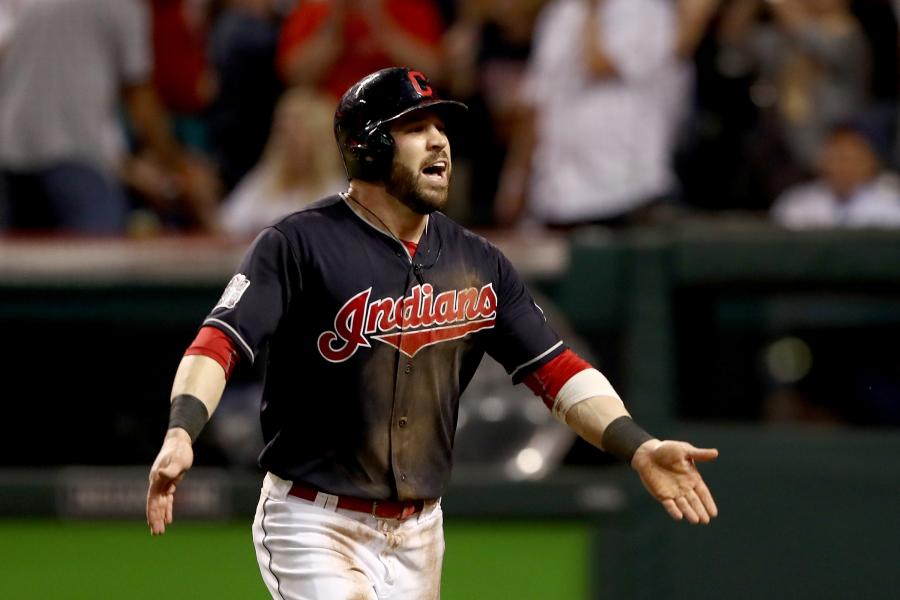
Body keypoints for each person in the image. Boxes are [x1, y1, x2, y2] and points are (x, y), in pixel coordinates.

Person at [147, 67, 719, 599]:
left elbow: (559, 370)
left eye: (441, 128)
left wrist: (636, 444)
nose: (439, 141)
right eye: (415, 128)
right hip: (313, 520)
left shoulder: (477, 261)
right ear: (365, 146)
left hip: (420, 531)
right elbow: (218, 342)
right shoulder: (299, 244)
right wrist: (182, 430)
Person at [495, 0, 720, 228]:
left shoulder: (648, 11)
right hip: (560, 195)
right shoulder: (560, 13)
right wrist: (515, 179)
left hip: (627, 190)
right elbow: (537, 102)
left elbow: (597, 65)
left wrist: (593, 11)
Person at [0, 0, 218, 234]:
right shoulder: (123, 6)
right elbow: (140, 99)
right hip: (75, 161)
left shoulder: (38, 5)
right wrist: (179, 169)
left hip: (9, 156)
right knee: (99, 262)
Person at [219, 87, 346, 237]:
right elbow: (226, 229)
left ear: (321, 142)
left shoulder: (336, 196)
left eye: (296, 135)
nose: (286, 143)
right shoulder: (263, 181)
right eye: (282, 133)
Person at [771, 122, 900, 228]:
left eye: (851, 159)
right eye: (836, 158)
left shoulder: (890, 204)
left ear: (870, 163)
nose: (842, 167)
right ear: (821, 161)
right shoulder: (796, 202)